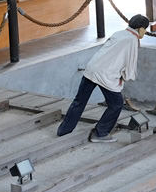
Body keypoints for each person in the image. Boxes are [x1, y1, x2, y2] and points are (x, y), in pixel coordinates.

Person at [57, 14, 150, 143]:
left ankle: (63, 131)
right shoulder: (132, 39)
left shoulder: (119, 33)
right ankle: (100, 133)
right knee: (116, 104)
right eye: (145, 29)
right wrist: (125, 77)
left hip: (91, 69)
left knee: (79, 102)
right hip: (106, 75)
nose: (145, 32)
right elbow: (130, 65)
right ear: (140, 28)